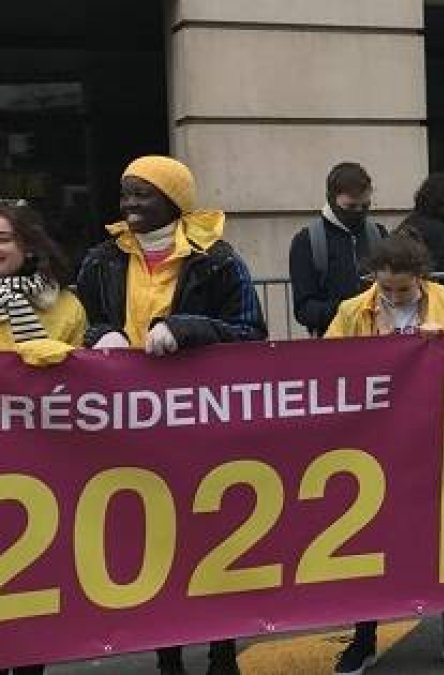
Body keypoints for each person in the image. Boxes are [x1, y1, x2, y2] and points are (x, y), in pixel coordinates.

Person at [76, 155, 266, 675]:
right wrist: (98, 337)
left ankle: (224, 652)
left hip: (203, 431)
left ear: (175, 201)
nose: (129, 205)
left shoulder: (219, 261)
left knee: (214, 546)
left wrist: (190, 328)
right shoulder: (99, 261)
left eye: (142, 194)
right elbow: (81, 325)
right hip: (132, 434)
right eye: (125, 194)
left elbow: (252, 334)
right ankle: (169, 658)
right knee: (157, 547)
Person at [325, 232, 444, 674]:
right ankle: (363, 639)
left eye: (404, 289)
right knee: (369, 540)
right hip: (376, 443)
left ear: (422, 278)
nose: (394, 296)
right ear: (374, 280)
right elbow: (326, 364)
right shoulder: (352, 311)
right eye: (386, 289)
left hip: (439, 436)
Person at [0, 204, 87, 675]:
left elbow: (83, 391)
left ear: (28, 245)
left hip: (40, 479)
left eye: (1, 239)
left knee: (30, 608)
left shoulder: (66, 307)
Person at [289, 162, 388, 336]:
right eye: (350, 207)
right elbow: (304, 309)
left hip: (377, 337)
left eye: (365, 206)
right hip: (332, 341)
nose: (358, 212)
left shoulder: (378, 234)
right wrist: (349, 309)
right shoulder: (307, 241)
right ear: (331, 200)